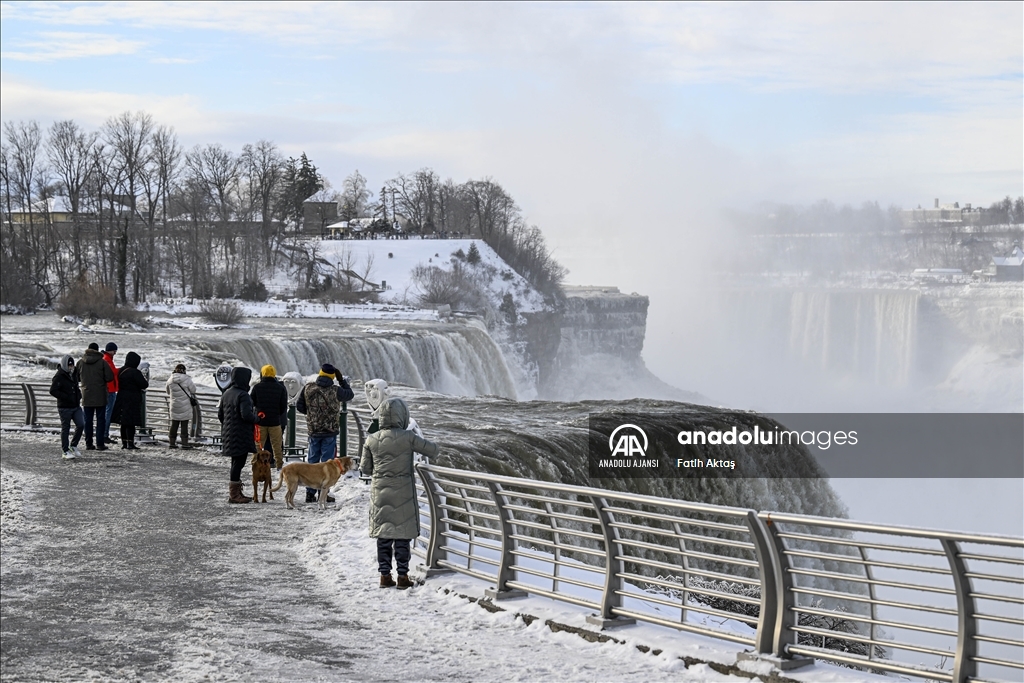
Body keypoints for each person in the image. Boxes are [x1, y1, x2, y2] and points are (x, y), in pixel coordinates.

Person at [360, 397, 439, 589]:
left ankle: (385, 576)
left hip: (380, 493)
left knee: (384, 536)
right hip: (403, 493)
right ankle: (403, 577)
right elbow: (433, 450)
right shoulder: (408, 437)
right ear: (402, 416)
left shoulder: (371, 439)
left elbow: (365, 468)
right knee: (402, 537)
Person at [296, 363, 354, 504]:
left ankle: (310, 494)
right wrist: (342, 381)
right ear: (332, 376)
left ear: (320, 373)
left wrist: (312, 416)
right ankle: (324, 493)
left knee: (312, 463)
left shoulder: (308, 387)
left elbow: (299, 406)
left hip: (314, 431)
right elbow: (350, 394)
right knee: (328, 464)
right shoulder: (336, 390)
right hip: (329, 432)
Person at [218, 366, 256, 504]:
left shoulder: (226, 393)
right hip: (241, 434)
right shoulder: (243, 395)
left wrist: (228, 427)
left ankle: (236, 492)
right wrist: (257, 418)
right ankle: (234, 495)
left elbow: (220, 415)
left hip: (229, 433)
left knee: (235, 463)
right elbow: (246, 415)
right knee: (238, 463)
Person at [76, 342, 114, 451]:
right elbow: (109, 377)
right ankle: (100, 444)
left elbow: (76, 377)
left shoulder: (80, 362)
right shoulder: (102, 362)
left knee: (88, 420)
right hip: (100, 395)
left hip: (86, 394)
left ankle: (89, 444)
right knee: (100, 420)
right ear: (97, 350)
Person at [250, 364, 288, 469]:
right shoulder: (280, 388)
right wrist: (276, 414)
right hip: (275, 422)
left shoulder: (257, 387)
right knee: (277, 446)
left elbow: (251, 402)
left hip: (261, 421)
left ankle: (255, 465)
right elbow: (283, 406)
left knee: (258, 445)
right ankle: (279, 466)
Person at [110, 352, 148, 450]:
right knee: (131, 422)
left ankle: (124, 443)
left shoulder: (121, 370)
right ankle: (130, 444)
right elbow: (144, 384)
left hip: (121, 397)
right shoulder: (135, 372)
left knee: (123, 422)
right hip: (132, 398)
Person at [50, 354, 84, 460]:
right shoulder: (59, 376)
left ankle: (73, 445)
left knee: (81, 424)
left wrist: (79, 395)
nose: (71, 367)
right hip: (64, 407)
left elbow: (76, 386)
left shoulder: (73, 374)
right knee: (66, 428)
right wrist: (65, 397)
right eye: (69, 365)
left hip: (75, 405)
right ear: (65, 365)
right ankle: (65, 450)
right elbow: (53, 390)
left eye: (72, 365)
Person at [166, 363, 198, 449]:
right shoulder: (187, 379)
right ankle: (185, 444)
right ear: (184, 370)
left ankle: (172, 443)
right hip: (185, 405)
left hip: (174, 405)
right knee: (184, 423)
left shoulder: (170, 379)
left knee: (174, 423)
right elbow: (193, 390)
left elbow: (168, 392)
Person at [102, 342, 119, 446]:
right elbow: (112, 373)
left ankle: (104, 434)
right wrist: (123, 369)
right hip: (110, 390)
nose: (115, 353)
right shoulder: (107, 360)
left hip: (109, 389)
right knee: (108, 414)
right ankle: (104, 435)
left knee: (106, 413)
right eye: (114, 351)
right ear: (110, 350)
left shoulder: (107, 359)